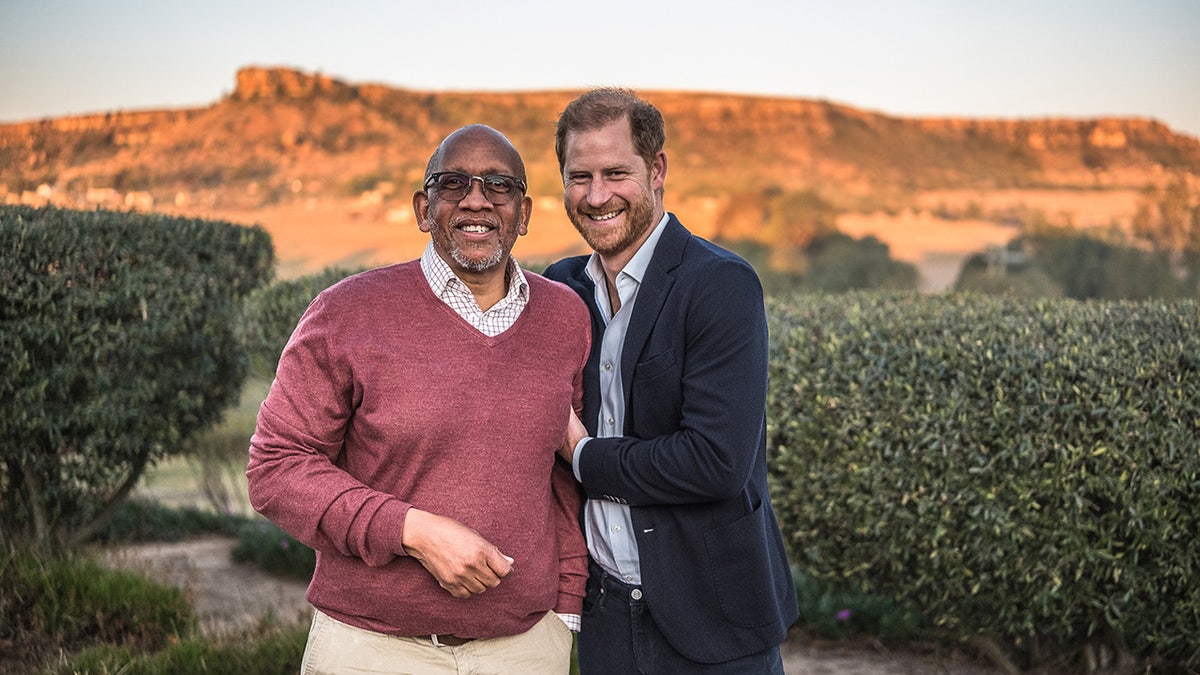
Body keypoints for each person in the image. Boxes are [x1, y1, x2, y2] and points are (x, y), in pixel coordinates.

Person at [247, 124, 590, 674]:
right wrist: (412, 531)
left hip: (525, 649)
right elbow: (276, 468)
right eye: (453, 182)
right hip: (372, 649)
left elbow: (561, 474)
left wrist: (566, 608)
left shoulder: (564, 318)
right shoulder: (347, 313)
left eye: (499, 186)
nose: (476, 199)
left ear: (523, 214)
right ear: (423, 208)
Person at [543, 89, 798, 674]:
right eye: (579, 176)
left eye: (615, 172)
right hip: (603, 614)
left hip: (713, 616)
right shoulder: (560, 290)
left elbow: (714, 461)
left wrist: (582, 455)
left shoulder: (721, 285)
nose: (596, 195)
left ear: (656, 171)